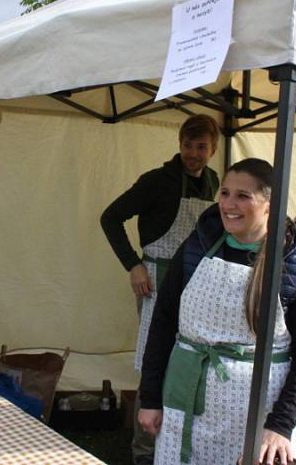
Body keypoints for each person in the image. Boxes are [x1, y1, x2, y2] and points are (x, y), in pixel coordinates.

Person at [138, 158, 296, 465]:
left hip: (258, 414)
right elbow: (162, 323)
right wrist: (149, 397)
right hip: (186, 396)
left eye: (243, 196)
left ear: (270, 203)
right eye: (225, 193)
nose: (229, 204)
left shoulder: (294, 265)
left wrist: (281, 423)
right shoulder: (197, 246)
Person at [100, 114, 220, 465]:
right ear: (179, 144)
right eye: (187, 145)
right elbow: (110, 217)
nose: (192, 154)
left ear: (212, 149)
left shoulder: (213, 183)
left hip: (195, 281)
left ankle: (179, 441)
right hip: (155, 277)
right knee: (155, 360)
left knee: (187, 359)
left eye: (200, 147)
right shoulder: (157, 181)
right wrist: (133, 264)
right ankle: (144, 451)